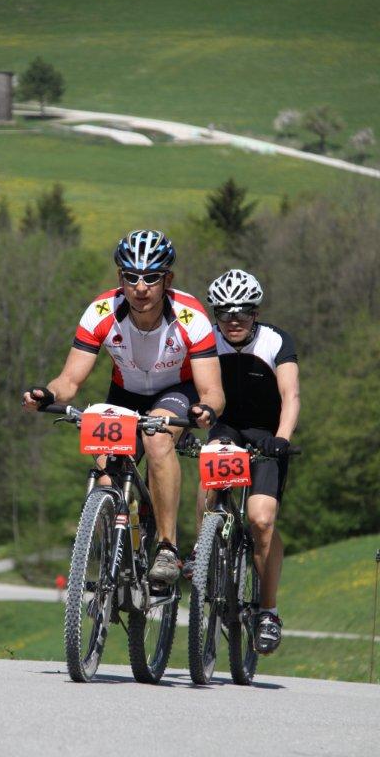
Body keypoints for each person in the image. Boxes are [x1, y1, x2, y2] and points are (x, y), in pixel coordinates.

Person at [23, 229, 225, 585]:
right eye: (131, 277)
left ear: (168, 280)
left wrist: (205, 408)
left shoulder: (190, 316)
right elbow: (69, 381)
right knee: (105, 469)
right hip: (125, 394)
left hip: (176, 392)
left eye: (151, 278)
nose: (141, 287)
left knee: (157, 439)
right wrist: (48, 394)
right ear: (121, 278)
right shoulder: (101, 312)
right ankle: (119, 553)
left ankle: (166, 547)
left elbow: (212, 391)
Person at [183, 269, 300, 654]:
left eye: (243, 312)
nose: (233, 320)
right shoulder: (207, 340)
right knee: (210, 476)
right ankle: (202, 551)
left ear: (256, 312)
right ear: (215, 314)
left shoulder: (276, 340)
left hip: (267, 434)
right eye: (224, 312)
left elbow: (291, 395)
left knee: (261, 520)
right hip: (226, 428)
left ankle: (268, 611)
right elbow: (191, 389)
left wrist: (282, 439)